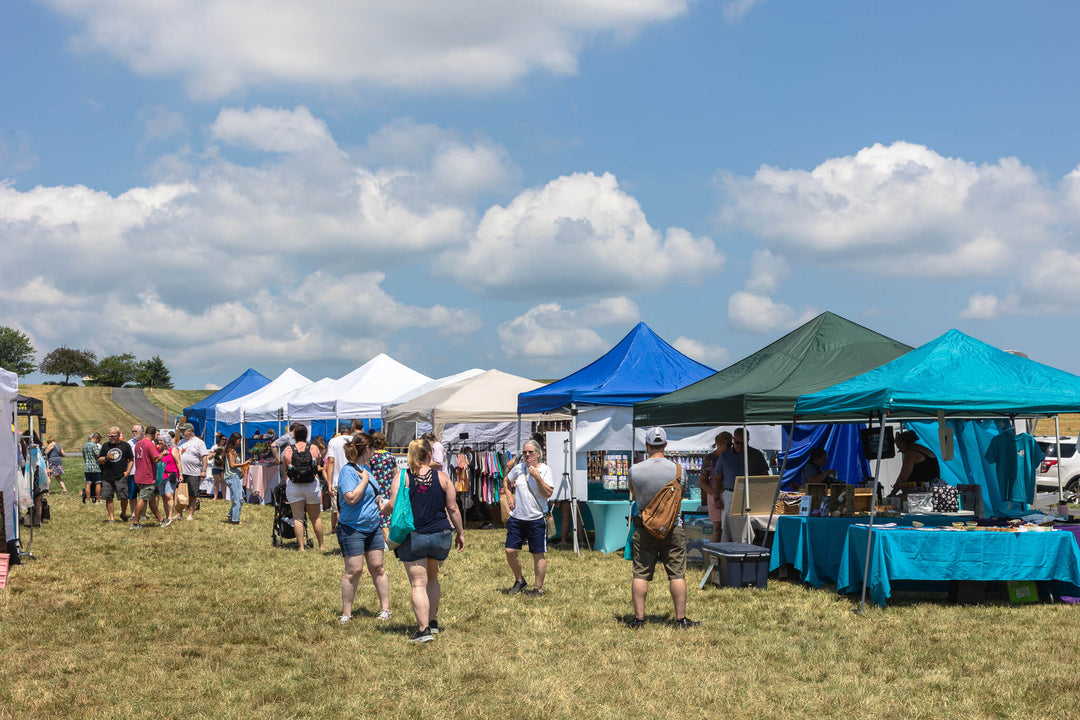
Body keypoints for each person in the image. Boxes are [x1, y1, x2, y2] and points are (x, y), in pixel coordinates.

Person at [378, 438, 465, 643]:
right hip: (441, 534)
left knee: (418, 584)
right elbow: (453, 508)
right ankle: (433, 623)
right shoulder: (443, 477)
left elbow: (392, 504)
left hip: (414, 536)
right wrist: (460, 533)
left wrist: (382, 507)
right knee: (433, 579)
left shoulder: (402, 477)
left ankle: (423, 630)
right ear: (428, 455)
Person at [627, 427, 698, 629]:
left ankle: (639, 619)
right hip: (673, 527)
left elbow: (634, 493)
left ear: (647, 445)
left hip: (645, 527)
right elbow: (681, 494)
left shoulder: (635, 470)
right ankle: (680, 619)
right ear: (665, 444)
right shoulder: (678, 471)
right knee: (677, 574)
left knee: (640, 573)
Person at [335, 432, 391, 624]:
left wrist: (381, 503)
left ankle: (385, 610)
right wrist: (365, 480)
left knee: (378, 567)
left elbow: (373, 495)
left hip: (373, 526)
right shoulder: (349, 471)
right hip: (352, 528)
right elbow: (350, 498)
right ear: (367, 448)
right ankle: (347, 613)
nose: (375, 452)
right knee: (354, 570)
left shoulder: (366, 469)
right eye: (373, 448)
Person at [502, 438, 553, 597]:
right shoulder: (518, 468)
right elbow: (506, 480)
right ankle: (519, 580)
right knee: (510, 551)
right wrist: (509, 496)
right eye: (524, 452)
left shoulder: (545, 470)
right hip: (517, 518)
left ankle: (538, 588)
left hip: (536, 518)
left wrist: (537, 477)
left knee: (537, 554)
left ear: (538, 454)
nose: (527, 455)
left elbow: (549, 493)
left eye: (530, 452)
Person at [712, 428, 770, 543]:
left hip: (751, 496)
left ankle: (748, 549)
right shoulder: (725, 455)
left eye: (742, 443)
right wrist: (716, 498)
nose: (738, 446)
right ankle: (727, 553)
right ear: (733, 440)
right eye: (736, 443)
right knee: (727, 527)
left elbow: (765, 477)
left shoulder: (756, 455)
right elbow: (716, 478)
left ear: (748, 440)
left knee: (749, 525)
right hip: (729, 495)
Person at [282, 424, 325, 551]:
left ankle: (301, 547)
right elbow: (318, 464)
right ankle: (321, 546)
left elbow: (285, 469)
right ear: (306, 435)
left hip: (294, 485)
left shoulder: (288, 450)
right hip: (311, 484)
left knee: (298, 517)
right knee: (316, 516)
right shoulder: (314, 448)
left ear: (294, 435)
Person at [324, 421, 362, 533]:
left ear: (339, 430)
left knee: (337, 509)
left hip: (337, 480)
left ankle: (340, 529)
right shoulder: (354, 441)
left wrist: (329, 482)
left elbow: (330, 461)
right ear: (351, 429)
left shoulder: (333, 441)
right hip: (353, 479)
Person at [699, 431, 731, 543]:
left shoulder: (732, 456)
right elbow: (702, 481)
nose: (731, 447)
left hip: (730, 494)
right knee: (717, 528)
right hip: (715, 495)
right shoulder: (710, 459)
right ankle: (713, 557)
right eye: (729, 445)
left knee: (730, 528)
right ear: (719, 444)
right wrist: (713, 493)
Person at [888, 430, 940, 497]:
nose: (900, 451)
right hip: (934, 489)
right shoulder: (923, 449)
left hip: (922, 493)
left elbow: (903, 477)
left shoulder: (911, 454)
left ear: (903, 443)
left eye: (899, 448)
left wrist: (893, 493)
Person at [131, 426, 164, 528]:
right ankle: (135, 523)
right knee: (143, 499)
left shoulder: (138, 444)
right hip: (147, 475)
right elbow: (156, 459)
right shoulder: (150, 444)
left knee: (152, 500)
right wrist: (163, 454)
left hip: (139, 474)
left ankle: (161, 520)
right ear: (154, 435)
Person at [98, 427, 133, 523]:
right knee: (108, 497)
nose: (110, 438)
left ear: (118, 435)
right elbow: (99, 460)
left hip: (121, 475)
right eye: (109, 436)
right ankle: (112, 518)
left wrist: (128, 471)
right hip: (107, 475)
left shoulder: (125, 446)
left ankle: (123, 513)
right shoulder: (105, 446)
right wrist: (106, 458)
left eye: (112, 436)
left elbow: (131, 460)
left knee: (124, 497)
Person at [367, 431, 397, 542]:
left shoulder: (372, 456)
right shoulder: (390, 456)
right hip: (389, 487)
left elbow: (368, 472)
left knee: (379, 511)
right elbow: (395, 472)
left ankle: (386, 538)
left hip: (376, 487)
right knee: (388, 510)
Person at [178, 424, 209, 521]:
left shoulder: (199, 442)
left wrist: (203, 470)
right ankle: (179, 513)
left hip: (193, 472)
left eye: (184, 431)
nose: (182, 432)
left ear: (190, 431)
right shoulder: (181, 442)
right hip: (182, 472)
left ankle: (190, 513)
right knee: (180, 493)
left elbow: (204, 457)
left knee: (192, 494)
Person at [222, 432, 251, 524]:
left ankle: (230, 515)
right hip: (232, 477)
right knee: (238, 499)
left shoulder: (232, 450)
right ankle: (235, 520)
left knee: (241, 497)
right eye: (239, 440)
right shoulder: (231, 451)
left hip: (234, 477)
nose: (240, 442)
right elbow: (232, 465)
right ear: (235, 440)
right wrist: (244, 464)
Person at [158, 432, 182, 525]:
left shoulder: (173, 449)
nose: (159, 442)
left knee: (169, 495)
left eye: (161, 440)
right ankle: (167, 514)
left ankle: (171, 516)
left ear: (166, 441)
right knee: (163, 496)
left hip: (171, 475)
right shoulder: (159, 450)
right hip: (161, 475)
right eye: (159, 440)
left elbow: (178, 462)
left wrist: (180, 474)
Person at [82, 433, 102, 504]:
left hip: (87, 467)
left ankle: (88, 500)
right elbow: (98, 455)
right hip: (95, 467)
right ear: (96, 438)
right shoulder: (94, 445)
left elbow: (84, 456)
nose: (98, 442)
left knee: (88, 483)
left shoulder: (84, 445)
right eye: (98, 440)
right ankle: (98, 500)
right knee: (98, 483)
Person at [210, 433, 226, 500]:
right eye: (223, 439)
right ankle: (215, 496)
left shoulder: (225, 447)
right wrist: (215, 454)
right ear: (219, 439)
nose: (224, 441)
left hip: (223, 466)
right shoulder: (214, 447)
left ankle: (224, 497)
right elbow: (209, 457)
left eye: (225, 439)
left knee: (223, 482)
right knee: (216, 482)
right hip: (216, 466)